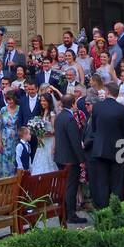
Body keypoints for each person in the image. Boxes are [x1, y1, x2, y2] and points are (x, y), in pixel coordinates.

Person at [86, 81, 124, 207]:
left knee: (102, 182)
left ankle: (103, 209)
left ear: (107, 92)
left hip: (100, 149)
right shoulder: (122, 109)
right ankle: (115, 208)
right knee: (117, 183)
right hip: (119, 150)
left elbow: (94, 129)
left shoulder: (97, 107)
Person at [54, 94, 87, 224]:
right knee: (71, 187)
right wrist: (81, 160)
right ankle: (71, 214)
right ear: (73, 104)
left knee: (64, 186)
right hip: (70, 159)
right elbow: (75, 142)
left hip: (60, 157)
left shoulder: (59, 117)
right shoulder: (70, 119)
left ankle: (64, 212)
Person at [30, 91, 58, 175]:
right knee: (39, 160)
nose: (42, 102)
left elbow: (55, 130)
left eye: (44, 101)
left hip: (50, 142)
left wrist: (45, 132)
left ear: (49, 102)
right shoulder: (42, 113)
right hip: (42, 142)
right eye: (41, 101)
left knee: (48, 161)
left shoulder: (52, 114)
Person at [0, 88, 21, 177]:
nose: (10, 102)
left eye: (11, 100)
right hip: (4, 139)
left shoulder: (19, 109)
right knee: (4, 161)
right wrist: (0, 142)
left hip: (16, 138)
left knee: (15, 160)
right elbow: (0, 127)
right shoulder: (3, 110)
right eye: (8, 100)